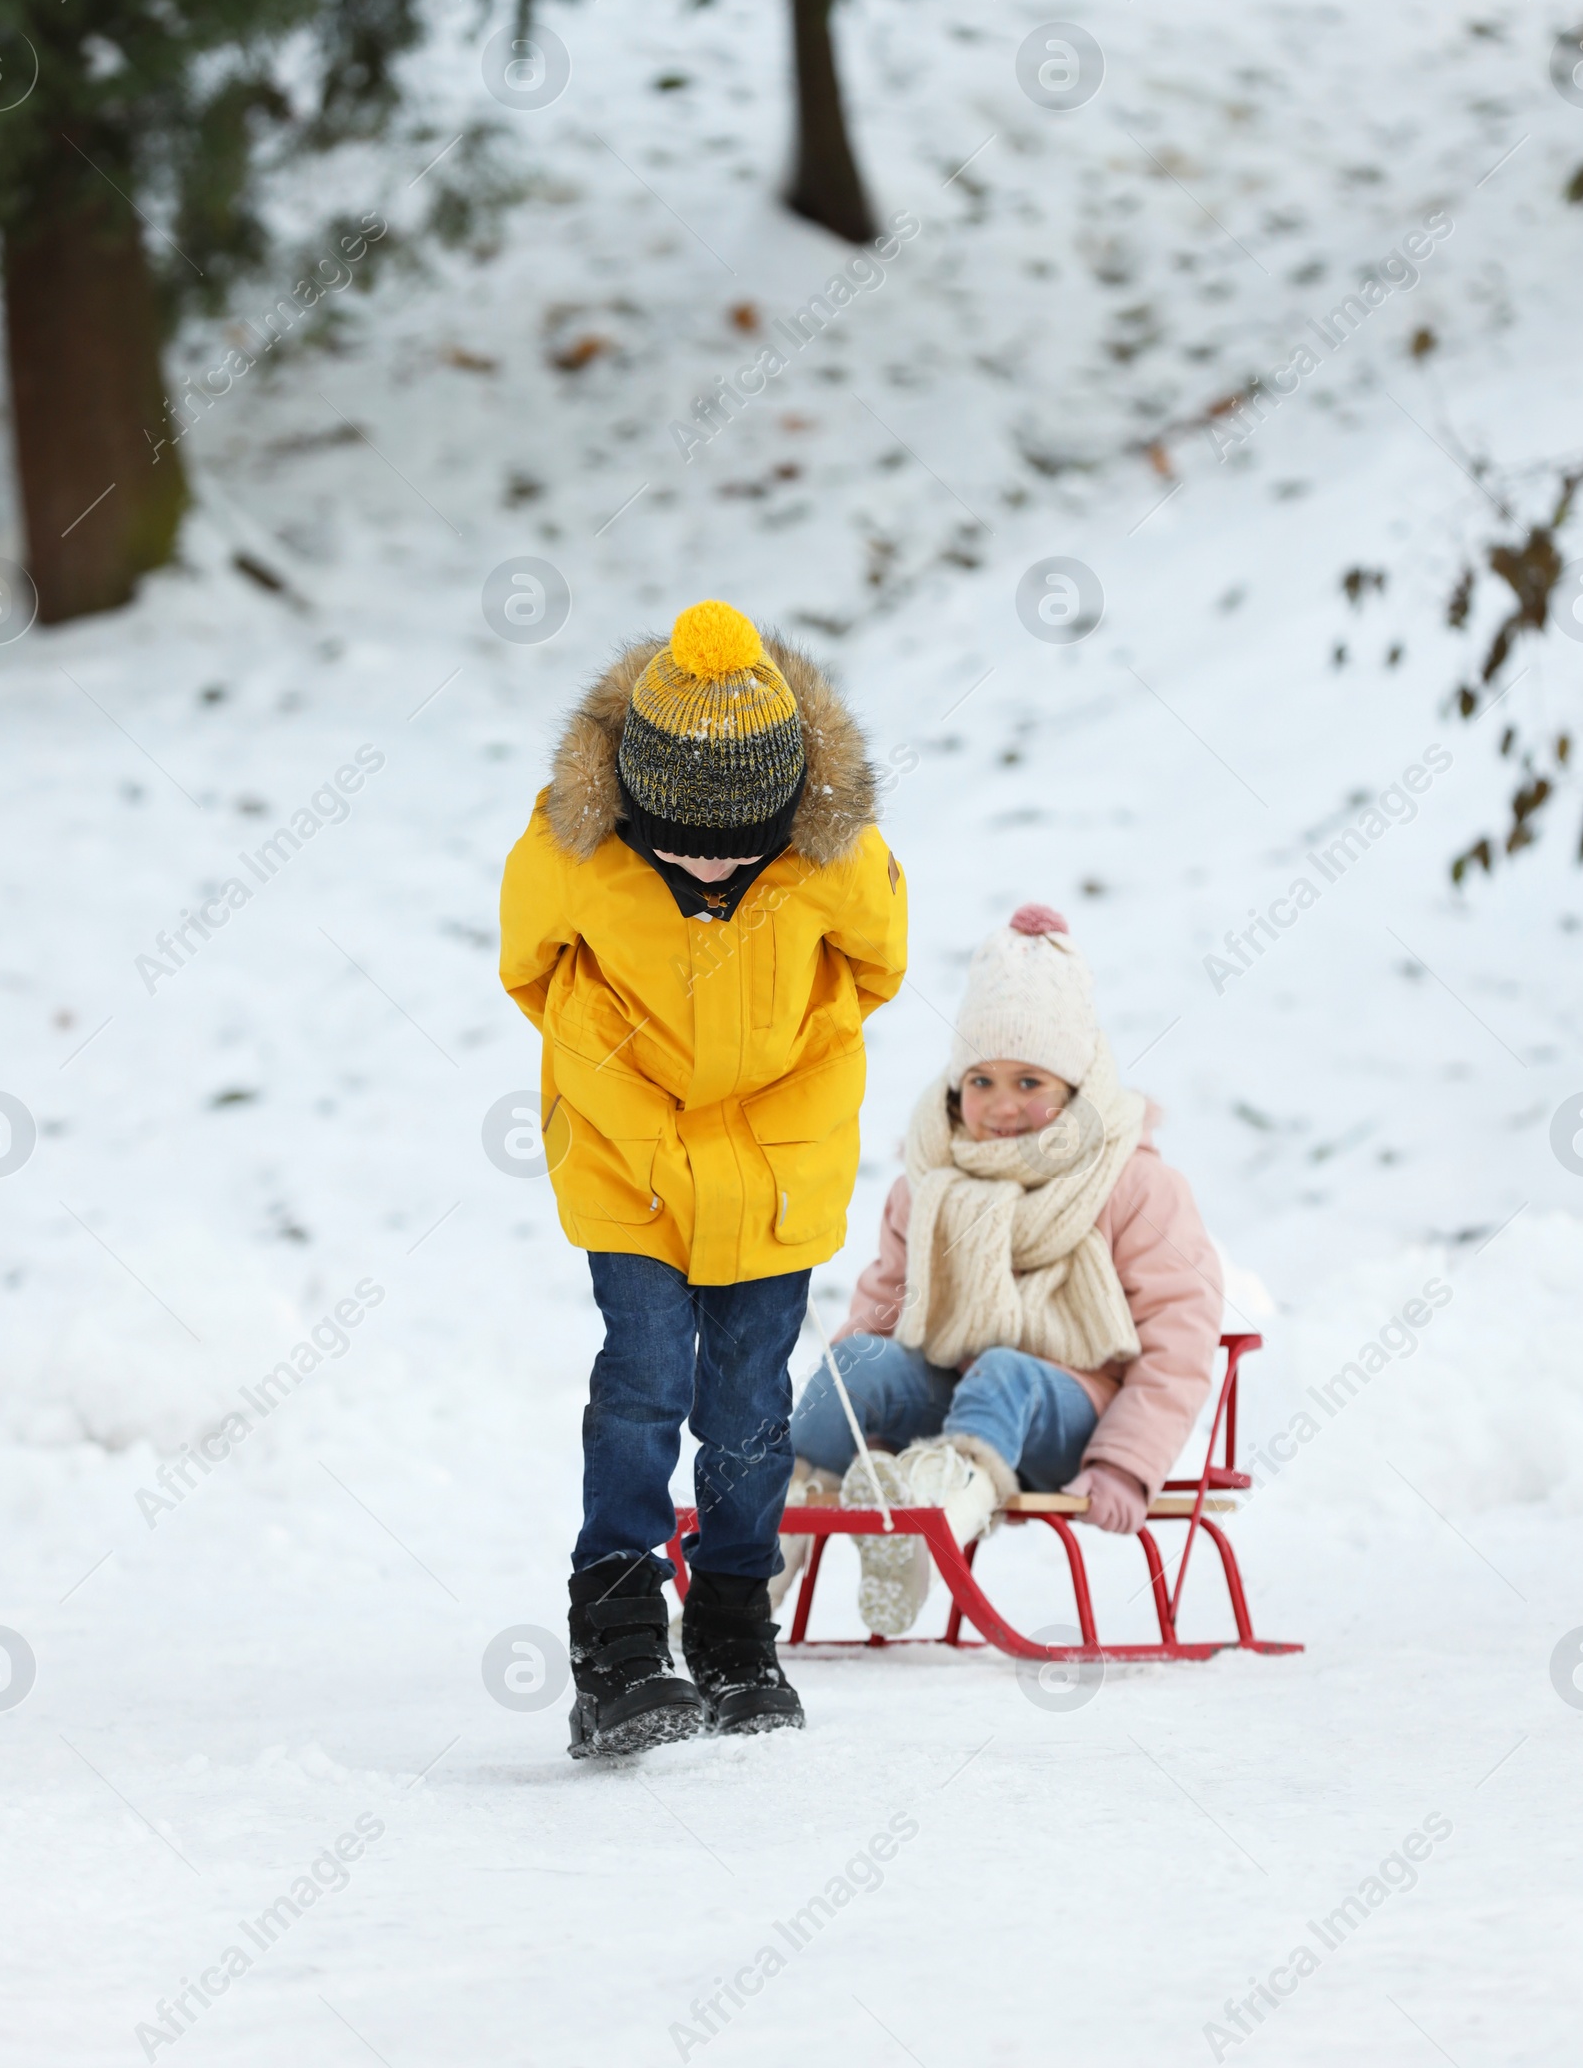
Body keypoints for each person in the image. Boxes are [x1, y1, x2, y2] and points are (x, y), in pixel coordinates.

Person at [499, 600, 907, 1754]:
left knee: (746, 1409)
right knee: (640, 1384)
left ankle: (733, 1629)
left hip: (778, 1165)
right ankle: (620, 1642)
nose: (713, 862)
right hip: (629, 1160)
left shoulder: (835, 862)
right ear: (635, 802)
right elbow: (529, 968)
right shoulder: (571, 852)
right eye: (684, 842)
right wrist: (607, 1067)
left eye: (741, 841)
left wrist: (795, 1063)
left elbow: (878, 964)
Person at [781, 904, 1222, 1634]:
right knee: (856, 1359)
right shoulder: (929, 1184)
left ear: (1077, 1088)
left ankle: (932, 1533)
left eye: (1030, 1083)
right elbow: (884, 1307)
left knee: (1004, 1370)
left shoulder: (1134, 1185)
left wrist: (1126, 1462)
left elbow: (1182, 1337)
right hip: (951, 1400)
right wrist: (863, 1410)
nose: (1002, 1106)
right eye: (981, 1081)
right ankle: (766, 1547)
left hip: (1074, 1421)